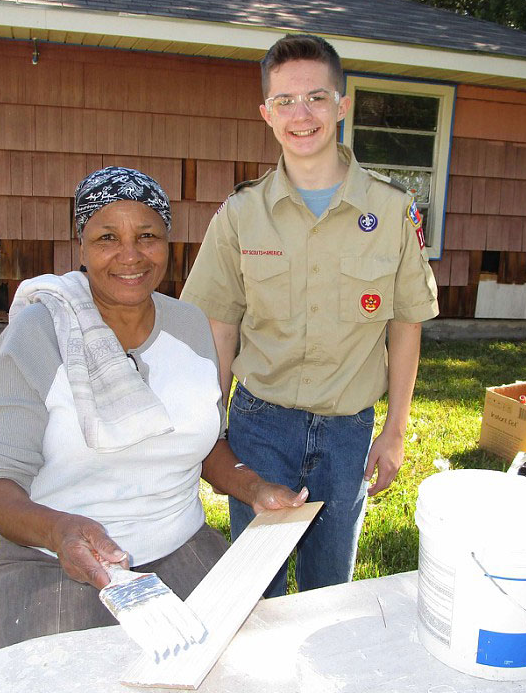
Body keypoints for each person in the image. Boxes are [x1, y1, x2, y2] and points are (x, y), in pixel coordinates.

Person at [0, 166, 307, 649]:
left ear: (167, 242)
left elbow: (205, 442)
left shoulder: (190, 326)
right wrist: (60, 531)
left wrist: (254, 488)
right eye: (107, 237)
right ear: (82, 246)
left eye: (147, 235)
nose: (130, 255)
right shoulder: (37, 336)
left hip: (183, 547)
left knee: (235, 668)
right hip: (53, 560)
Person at [180, 34, 439, 598]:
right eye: (285, 102)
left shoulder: (392, 211)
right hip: (259, 425)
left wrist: (394, 431)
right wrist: (212, 430)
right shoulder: (241, 214)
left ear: (342, 106)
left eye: (317, 98)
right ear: (266, 114)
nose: (302, 115)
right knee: (258, 587)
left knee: (331, 588)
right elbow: (220, 326)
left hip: (348, 431)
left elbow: (406, 324)